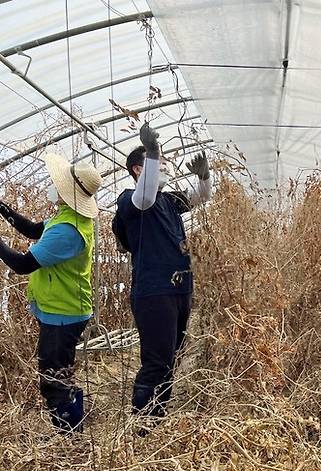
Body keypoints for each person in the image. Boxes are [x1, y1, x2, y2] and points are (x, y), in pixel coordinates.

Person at [112, 123, 212, 420]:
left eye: (164, 161)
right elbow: (145, 198)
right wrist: (153, 152)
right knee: (157, 361)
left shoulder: (169, 201)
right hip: (154, 292)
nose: (166, 166)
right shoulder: (130, 200)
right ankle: (142, 425)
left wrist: (205, 175)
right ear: (138, 170)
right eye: (158, 163)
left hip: (179, 290)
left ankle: (157, 416)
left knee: (173, 357)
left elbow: (201, 196)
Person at [0, 155, 103, 432]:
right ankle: (74, 427)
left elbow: (22, 264)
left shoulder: (69, 231)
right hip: (64, 308)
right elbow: (34, 229)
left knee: (53, 380)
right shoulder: (69, 216)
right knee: (62, 371)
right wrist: (3, 208)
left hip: (63, 313)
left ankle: (68, 436)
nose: (53, 186)